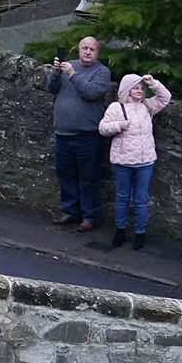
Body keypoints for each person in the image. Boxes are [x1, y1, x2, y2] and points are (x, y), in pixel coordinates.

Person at [47, 36, 114, 231]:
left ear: (97, 52)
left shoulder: (102, 72)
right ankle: (70, 211)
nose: (87, 52)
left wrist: (73, 75)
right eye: (84, 48)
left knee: (89, 177)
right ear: (78, 49)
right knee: (65, 174)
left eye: (92, 49)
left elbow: (92, 93)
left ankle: (89, 216)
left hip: (87, 135)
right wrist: (56, 73)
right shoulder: (70, 66)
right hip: (63, 133)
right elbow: (52, 89)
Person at [99, 74, 172, 250]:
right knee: (122, 197)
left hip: (145, 161)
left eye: (141, 88)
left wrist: (152, 83)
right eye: (135, 87)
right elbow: (102, 128)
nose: (139, 90)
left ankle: (140, 233)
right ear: (127, 90)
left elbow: (165, 97)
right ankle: (120, 230)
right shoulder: (116, 107)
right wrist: (118, 126)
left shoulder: (147, 106)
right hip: (122, 162)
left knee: (141, 199)